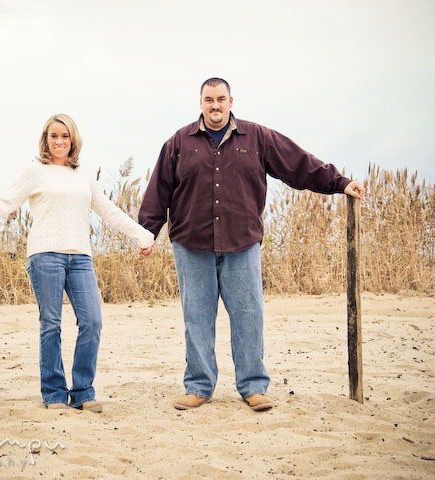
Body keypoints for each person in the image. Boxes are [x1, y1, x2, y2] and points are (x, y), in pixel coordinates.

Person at [138, 78, 365, 412]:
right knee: (197, 318)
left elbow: (298, 165)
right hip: (191, 243)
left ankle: (253, 387)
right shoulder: (179, 142)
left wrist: (340, 183)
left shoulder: (257, 137)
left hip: (241, 242)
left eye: (220, 99)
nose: (214, 105)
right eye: (208, 100)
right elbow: (159, 188)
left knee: (248, 317)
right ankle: (199, 386)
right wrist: (147, 232)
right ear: (200, 102)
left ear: (231, 101)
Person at [0, 113, 155, 413]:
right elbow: (5, 203)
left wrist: (142, 236)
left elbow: (109, 211)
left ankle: (83, 391)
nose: (59, 141)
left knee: (93, 322)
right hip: (45, 256)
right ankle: (55, 393)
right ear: (46, 139)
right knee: (51, 325)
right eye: (53, 136)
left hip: (81, 257)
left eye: (65, 136)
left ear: (73, 140)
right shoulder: (36, 171)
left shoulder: (82, 174)